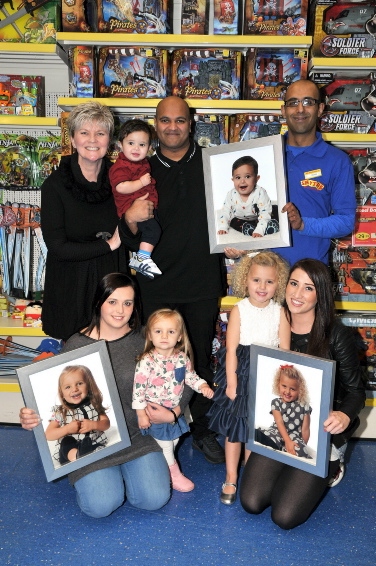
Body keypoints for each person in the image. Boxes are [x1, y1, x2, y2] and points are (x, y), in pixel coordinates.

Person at [20, 273, 193, 518]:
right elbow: (52, 395)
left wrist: (173, 412)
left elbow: (184, 378)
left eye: (128, 303)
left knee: (154, 499)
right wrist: (30, 415)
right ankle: (104, 477)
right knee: (100, 506)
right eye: (112, 301)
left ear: (135, 306)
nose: (120, 310)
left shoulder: (148, 338)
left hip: (138, 436)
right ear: (99, 302)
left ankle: (128, 472)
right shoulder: (75, 345)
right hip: (90, 443)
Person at [119, 96, 227, 465]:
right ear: (155, 123)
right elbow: (127, 230)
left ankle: (203, 431)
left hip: (201, 281)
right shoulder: (140, 168)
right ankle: (152, 429)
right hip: (156, 283)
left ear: (191, 123)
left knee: (197, 362)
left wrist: (237, 241)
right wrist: (131, 219)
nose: (172, 127)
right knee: (152, 362)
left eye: (179, 120)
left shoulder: (215, 164)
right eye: (164, 120)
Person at [240, 259, 366, 529]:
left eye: (308, 288)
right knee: (251, 502)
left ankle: (335, 463)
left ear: (321, 294)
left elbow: (356, 390)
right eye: (294, 284)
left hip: (321, 433)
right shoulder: (272, 319)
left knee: (284, 517)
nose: (297, 294)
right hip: (279, 425)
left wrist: (344, 415)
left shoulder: (336, 334)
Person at [207, 251, 291, 505]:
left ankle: (252, 473)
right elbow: (231, 349)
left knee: (257, 429)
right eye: (256, 280)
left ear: (278, 284)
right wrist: (232, 382)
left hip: (268, 373)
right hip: (241, 372)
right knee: (235, 429)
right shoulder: (239, 309)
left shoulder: (281, 312)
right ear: (245, 281)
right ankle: (231, 476)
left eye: (269, 281)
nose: (262, 287)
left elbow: (285, 354)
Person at [41, 101, 126, 342]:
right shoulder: (55, 186)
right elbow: (57, 247)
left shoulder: (122, 182)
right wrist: (108, 245)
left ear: (109, 139)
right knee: (75, 373)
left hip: (110, 285)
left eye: (100, 133)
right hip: (71, 287)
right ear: (73, 138)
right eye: (84, 132)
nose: (92, 140)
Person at [272, 78, 356, 266]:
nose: (300, 109)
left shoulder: (338, 161)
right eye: (293, 102)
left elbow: (346, 221)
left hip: (310, 275)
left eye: (308, 102)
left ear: (320, 109)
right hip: (265, 277)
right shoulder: (265, 154)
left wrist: (303, 225)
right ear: (283, 110)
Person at [133, 308, 214, 492]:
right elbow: (138, 390)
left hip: (173, 411)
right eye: (158, 331)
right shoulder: (146, 361)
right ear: (150, 335)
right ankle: (173, 474)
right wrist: (141, 414)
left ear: (179, 336)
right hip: (153, 412)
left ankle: (160, 463)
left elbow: (190, 377)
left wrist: (202, 386)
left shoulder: (181, 358)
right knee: (167, 445)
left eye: (170, 331)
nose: (164, 336)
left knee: (175, 440)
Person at [109, 119, 162, 279]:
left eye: (142, 144)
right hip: (131, 208)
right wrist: (141, 182)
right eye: (131, 143)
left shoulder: (143, 163)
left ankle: (142, 256)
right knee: (153, 230)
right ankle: (141, 257)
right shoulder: (121, 166)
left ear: (150, 147)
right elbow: (120, 187)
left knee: (153, 230)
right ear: (120, 144)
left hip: (144, 207)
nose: (136, 148)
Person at [46, 365, 110, 465]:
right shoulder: (61, 412)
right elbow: (48, 434)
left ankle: (88, 453)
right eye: (68, 387)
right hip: (68, 450)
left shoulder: (94, 404)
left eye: (79, 383)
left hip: (92, 443)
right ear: (62, 393)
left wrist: (94, 425)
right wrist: (67, 429)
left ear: (88, 386)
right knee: (67, 441)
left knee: (98, 447)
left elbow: (106, 423)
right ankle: (77, 455)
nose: (74, 389)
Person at [255, 364, 312, 459]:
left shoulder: (304, 406)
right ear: (278, 385)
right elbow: (279, 422)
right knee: (264, 436)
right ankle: (276, 448)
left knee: (299, 449)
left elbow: (305, 429)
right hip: (277, 432)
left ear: (300, 390)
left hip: (294, 436)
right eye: (284, 386)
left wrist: (302, 444)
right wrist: (287, 440)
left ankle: (287, 451)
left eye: (292, 389)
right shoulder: (276, 402)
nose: (287, 391)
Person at [218, 155, 278, 238]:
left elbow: (264, 213)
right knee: (233, 222)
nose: (242, 181)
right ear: (233, 180)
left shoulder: (260, 192)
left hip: (259, 217)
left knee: (275, 211)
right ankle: (248, 229)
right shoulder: (231, 195)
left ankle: (270, 226)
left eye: (247, 176)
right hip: (242, 219)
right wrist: (223, 227)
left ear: (257, 178)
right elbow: (225, 211)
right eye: (238, 177)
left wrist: (260, 230)